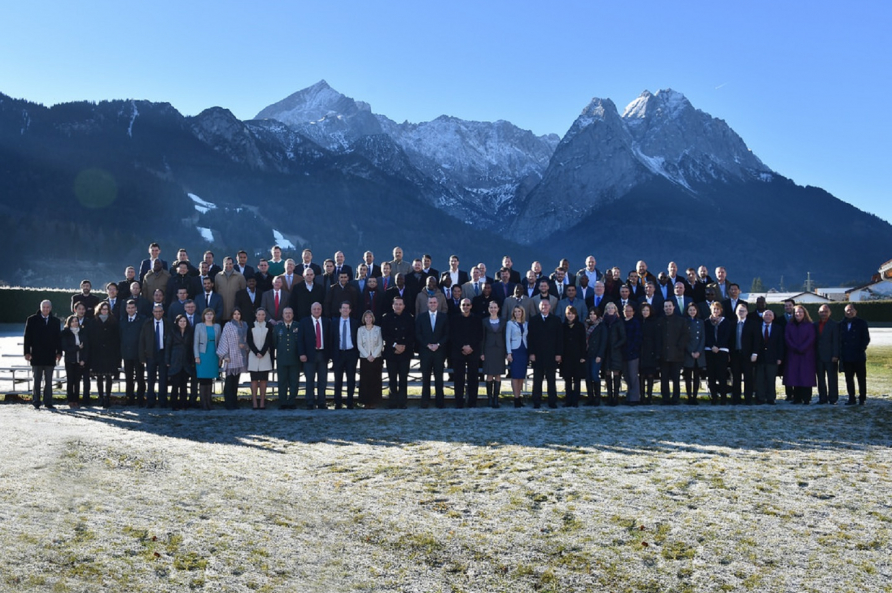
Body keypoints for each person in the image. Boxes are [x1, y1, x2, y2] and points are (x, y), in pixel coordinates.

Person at [24, 300, 62, 410]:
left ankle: (48, 401)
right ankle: (36, 401)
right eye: (44, 307)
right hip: (36, 354)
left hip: (50, 355)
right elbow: (27, 337)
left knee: (49, 381)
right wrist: (26, 352)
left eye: (47, 307)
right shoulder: (32, 320)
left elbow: (58, 338)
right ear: (40, 308)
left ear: (50, 308)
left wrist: (59, 352)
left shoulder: (55, 321)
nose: (46, 309)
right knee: (37, 379)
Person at [527, 299, 563, 409]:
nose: (544, 307)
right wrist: (531, 353)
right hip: (537, 354)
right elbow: (530, 338)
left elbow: (559, 339)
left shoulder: (556, 320)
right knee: (537, 380)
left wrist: (558, 353)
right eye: (542, 305)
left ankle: (552, 401)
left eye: (546, 305)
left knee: (551, 380)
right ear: (539, 307)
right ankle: (536, 401)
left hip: (552, 354)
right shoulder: (534, 320)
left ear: (550, 307)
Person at [415, 295, 449, 408]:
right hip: (426, 351)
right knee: (426, 377)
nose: (433, 304)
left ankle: (440, 402)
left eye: (435, 302)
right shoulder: (421, 317)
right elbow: (418, 334)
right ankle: (425, 401)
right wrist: (427, 345)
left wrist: (438, 344)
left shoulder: (444, 317)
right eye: (431, 303)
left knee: (439, 377)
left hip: (439, 351)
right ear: (427, 304)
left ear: (438, 304)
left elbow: (447, 334)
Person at [381, 296, 414, 409]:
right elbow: (384, 334)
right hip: (391, 352)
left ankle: (402, 402)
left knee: (403, 378)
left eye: (400, 304)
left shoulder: (409, 318)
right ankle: (392, 401)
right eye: (396, 304)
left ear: (404, 306)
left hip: (405, 352)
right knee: (392, 378)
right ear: (392, 305)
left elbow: (412, 334)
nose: (398, 306)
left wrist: (404, 346)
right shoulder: (386, 318)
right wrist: (395, 345)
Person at [449, 298, 484, 408]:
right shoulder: (454, 319)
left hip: (473, 352)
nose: (465, 307)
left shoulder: (477, 319)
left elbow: (479, 335)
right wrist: (462, 347)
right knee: (458, 378)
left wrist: (471, 347)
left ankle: (472, 402)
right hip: (458, 352)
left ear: (471, 306)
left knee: (473, 378)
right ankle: (459, 402)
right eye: (463, 305)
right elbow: (452, 336)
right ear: (460, 306)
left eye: (468, 305)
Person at [299, 302, 331, 409]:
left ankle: (322, 401)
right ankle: (310, 401)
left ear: (321, 310)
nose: (317, 311)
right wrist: (302, 353)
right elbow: (300, 340)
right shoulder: (304, 322)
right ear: (311, 310)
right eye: (314, 309)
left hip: (323, 354)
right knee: (310, 379)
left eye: (319, 309)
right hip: (309, 355)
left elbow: (330, 339)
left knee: (322, 380)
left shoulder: (327, 321)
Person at [783, 305, 817, 405]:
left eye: (800, 312)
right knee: (795, 376)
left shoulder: (810, 325)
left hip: (806, 354)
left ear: (804, 313)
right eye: (796, 312)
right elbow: (787, 337)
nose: (798, 314)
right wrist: (794, 347)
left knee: (806, 377)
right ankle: (797, 398)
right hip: (793, 354)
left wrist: (802, 348)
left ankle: (807, 398)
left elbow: (811, 338)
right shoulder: (790, 324)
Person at [658, 300, 689, 405]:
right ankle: (665, 398)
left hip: (677, 354)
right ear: (663, 308)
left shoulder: (681, 321)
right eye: (666, 306)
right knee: (664, 378)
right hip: (663, 354)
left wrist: (680, 347)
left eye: (669, 306)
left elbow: (685, 335)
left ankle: (676, 398)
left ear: (674, 307)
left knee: (676, 379)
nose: (668, 308)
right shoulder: (660, 320)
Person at [217, 307, 248, 410]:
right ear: (231, 315)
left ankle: (234, 402)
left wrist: (245, 345)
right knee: (229, 381)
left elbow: (248, 338)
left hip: (240, 355)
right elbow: (224, 339)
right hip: (230, 355)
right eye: (234, 314)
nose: (236, 316)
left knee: (236, 381)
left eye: (238, 314)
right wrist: (225, 355)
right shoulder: (228, 325)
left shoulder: (245, 325)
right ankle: (228, 403)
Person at [139, 303, 170, 409]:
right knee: (150, 379)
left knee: (163, 379)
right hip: (150, 354)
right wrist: (142, 357)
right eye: (156, 311)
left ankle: (162, 401)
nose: (158, 313)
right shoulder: (147, 323)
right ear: (152, 312)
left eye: (159, 311)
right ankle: (150, 401)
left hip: (163, 353)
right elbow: (142, 340)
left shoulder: (167, 323)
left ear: (163, 312)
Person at [330, 301, 360, 409]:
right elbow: (331, 339)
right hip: (338, 353)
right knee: (338, 379)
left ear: (350, 310)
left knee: (351, 378)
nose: (345, 310)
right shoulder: (334, 322)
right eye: (343, 308)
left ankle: (350, 401)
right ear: (340, 310)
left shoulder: (355, 322)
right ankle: (337, 402)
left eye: (347, 308)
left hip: (351, 353)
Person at [839, 303, 870, 405]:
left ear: (855, 311)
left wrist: (861, 349)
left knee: (861, 379)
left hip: (858, 356)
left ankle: (862, 398)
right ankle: (851, 398)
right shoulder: (841, 324)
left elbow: (866, 338)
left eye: (851, 310)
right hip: (846, 356)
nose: (849, 312)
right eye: (847, 310)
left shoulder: (862, 323)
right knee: (849, 379)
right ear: (844, 312)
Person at [752, 309, 785, 405]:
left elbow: (780, 344)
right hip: (759, 357)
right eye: (766, 315)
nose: (768, 316)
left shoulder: (778, 328)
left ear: (773, 317)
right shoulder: (757, 326)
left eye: (770, 315)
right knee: (759, 379)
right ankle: (760, 398)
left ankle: (771, 398)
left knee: (771, 379)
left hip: (773, 358)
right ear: (763, 316)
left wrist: (780, 357)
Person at [272, 307, 301, 409]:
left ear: (293, 315)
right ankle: (283, 402)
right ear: (282, 315)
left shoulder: (298, 326)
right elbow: (275, 343)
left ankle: (292, 401)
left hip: (295, 359)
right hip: (282, 358)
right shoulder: (277, 327)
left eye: (290, 313)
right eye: (286, 313)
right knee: (282, 381)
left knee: (294, 381)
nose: (288, 315)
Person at [729, 303, 757, 405]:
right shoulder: (732, 324)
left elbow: (756, 340)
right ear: (736, 312)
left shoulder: (752, 324)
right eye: (739, 311)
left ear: (747, 312)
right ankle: (736, 399)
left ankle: (748, 399)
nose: (741, 313)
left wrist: (755, 353)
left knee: (748, 378)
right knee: (735, 378)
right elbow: (729, 340)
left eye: (743, 311)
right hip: (735, 355)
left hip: (748, 355)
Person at [704, 302, 732, 405]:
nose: (716, 311)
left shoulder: (726, 322)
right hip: (709, 350)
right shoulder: (706, 322)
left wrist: (718, 346)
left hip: (722, 351)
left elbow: (727, 336)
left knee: (722, 375)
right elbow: (705, 336)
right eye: (714, 309)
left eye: (717, 309)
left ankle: (723, 398)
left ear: (721, 310)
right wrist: (712, 346)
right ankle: (714, 397)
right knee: (711, 375)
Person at [193, 308, 221, 411]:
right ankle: (203, 402)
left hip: (213, 354)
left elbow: (219, 342)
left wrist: (220, 357)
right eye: (207, 314)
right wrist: (196, 356)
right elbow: (195, 342)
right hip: (202, 354)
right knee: (203, 379)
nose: (209, 316)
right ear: (203, 315)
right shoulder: (199, 326)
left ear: (214, 316)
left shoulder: (217, 326)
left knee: (210, 380)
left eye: (211, 314)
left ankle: (209, 402)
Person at [119, 300, 146, 406]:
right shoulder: (122, 320)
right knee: (128, 377)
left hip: (138, 353)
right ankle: (129, 398)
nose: (130, 310)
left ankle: (140, 399)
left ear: (136, 308)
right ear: (126, 309)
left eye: (132, 308)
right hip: (126, 353)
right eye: (128, 308)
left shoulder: (142, 320)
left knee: (140, 377)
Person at [481, 300, 507, 408]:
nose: (493, 309)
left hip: (500, 349)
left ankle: (496, 398)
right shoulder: (484, 321)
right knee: (489, 374)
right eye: (491, 307)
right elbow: (482, 338)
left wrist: (506, 352)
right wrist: (482, 352)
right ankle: (490, 399)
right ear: (488, 309)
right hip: (488, 349)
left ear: (498, 309)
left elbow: (505, 337)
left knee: (498, 374)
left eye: (495, 307)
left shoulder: (503, 321)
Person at [559, 306, 586, 408]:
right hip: (566, 357)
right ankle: (568, 400)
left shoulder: (580, 326)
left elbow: (583, 342)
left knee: (577, 379)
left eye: (572, 314)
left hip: (578, 356)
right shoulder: (563, 326)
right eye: (568, 314)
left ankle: (575, 401)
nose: (570, 316)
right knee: (568, 379)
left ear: (576, 315)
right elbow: (560, 342)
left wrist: (583, 356)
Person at [247, 308, 274, 410]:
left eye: (263, 315)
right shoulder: (251, 325)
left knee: (263, 380)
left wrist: (262, 352)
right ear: (256, 315)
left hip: (265, 355)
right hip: (253, 356)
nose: (261, 316)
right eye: (259, 314)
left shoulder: (268, 326)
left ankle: (262, 402)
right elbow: (249, 340)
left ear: (265, 316)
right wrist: (256, 351)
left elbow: (269, 340)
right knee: (254, 380)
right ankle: (254, 402)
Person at [600, 302, 626, 406]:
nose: (610, 309)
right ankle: (609, 397)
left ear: (615, 310)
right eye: (608, 308)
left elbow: (623, 337)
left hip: (616, 351)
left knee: (616, 373)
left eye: (612, 308)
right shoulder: (603, 322)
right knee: (607, 373)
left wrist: (615, 346)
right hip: (605, 351)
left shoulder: (619, 321)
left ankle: (615, 397)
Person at [357, 310, 384, 408]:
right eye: (366, 317)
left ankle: (374, 401)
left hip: (376, 358)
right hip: (365, 358)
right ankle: (365, 402)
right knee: (365, 381)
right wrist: (367, 355)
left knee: (375, 380)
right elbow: (359, 344)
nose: (368, 319)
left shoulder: (378, 329)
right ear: (364, 318)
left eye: (370, 317)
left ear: (373, 318)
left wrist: (374, 355)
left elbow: (380, 344)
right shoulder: (360, 330)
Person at [167, 314, 194, 411]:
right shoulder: (172, 331)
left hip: (186, 360)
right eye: (181, 321)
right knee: (175, 385)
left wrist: (192, 360)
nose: (183, 323)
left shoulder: (190, 332)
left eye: (184, 321)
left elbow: (191, 347)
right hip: (175, 359)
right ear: (177, 322)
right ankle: (174, 404)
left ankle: (183, 404)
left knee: (184, 385)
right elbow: (168, 346)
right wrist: (168, 360)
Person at [814, 304, 840, 405]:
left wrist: (835, 355)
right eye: (821, 312)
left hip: (831, 357)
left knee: (832, 379)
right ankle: (822, 398)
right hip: (818, 356)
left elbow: (836, 341)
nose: (823, 313)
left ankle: (833, 398)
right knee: (820, 379)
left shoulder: (834, 324)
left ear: (829, 313)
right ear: (818, 313)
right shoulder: (815, 324)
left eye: (825, 312)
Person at [61, 315, 88, 407]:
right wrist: (77, 348)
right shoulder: (65, 333)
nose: (75, 323)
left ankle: (76, 399)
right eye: (72, 321)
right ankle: (70, 399)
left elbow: (86, 348)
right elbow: (65, 348)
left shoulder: (82, 332)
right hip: (70, 360)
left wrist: (83, 359)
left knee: (77, 381)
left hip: (79, 361)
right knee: (70, 381)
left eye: (76, 321)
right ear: (69, 323)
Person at [683, 302, 706, 404]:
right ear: (687, 311)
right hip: (689, 353)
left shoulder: (701, 322)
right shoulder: (685, 322)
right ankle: (689, 397)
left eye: (694, 310)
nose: (692, 312)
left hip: (698, 353)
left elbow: (703, 337)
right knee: (688, 377)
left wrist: (698, 351)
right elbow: (684, 338)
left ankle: (695, 397)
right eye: (690, 310)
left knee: (697, 376)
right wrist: (691, 351)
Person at [506, 305, 529, 408]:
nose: (517, 313)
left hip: (524, 350)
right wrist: (509, 353)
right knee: (515, 376)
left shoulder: (526, 324)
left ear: (522, 312)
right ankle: (515, 399)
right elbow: (507, 338)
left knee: (521, 376)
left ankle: (519, 397)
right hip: (515, 351)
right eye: (515, 312)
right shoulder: (510, 324)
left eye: (519, 311)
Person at [637, 303, 660, 405]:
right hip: (640, 350)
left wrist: (656, 352)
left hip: (651, 350)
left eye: (647, 310)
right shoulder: (638, 322)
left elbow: (657, 338)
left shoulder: (654, 322)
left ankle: (649, 396)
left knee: (650, 375)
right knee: (641, 375)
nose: (645, 312)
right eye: (643, 310)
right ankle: (641, 396)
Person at [585, 308, 606, 406]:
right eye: (591, 314)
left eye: (594, 314)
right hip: (587, 353)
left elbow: (603, 342)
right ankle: (590, 398)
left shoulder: (601, 326)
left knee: (594, 375)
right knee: (588, 376)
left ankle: (597, 398)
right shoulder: (586, 325)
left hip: (596, 354)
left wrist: (600, 355)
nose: (592, 316)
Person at [215, 256, 246, 322]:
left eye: (230, 264)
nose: (228, 265)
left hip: (235, 313)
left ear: (233, 264)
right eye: (226, 264)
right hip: (221, 312)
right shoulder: (218, 276)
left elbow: (243, 292)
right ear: (223, 264)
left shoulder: (240, 276)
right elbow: (216, 290)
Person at [621, 303, 642, 405]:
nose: (628, 313)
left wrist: (632, 349)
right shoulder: (622, 322)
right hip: (623, 353)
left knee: (633, 376)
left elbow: (637, 338)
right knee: (626, 376)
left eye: (630, 311)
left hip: (633, 353)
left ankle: (635, 398)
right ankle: (629, 395)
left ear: (633, 312)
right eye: (626, 311)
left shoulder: (636, 322)